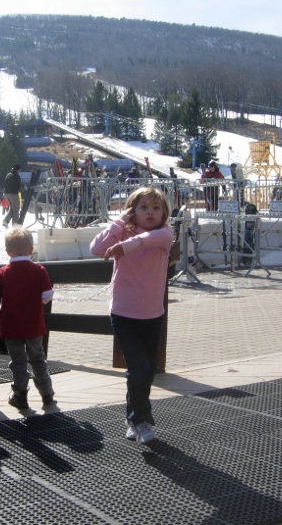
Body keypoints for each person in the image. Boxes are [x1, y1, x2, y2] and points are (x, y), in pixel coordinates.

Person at [89, 186, 174, 444]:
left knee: (146, 370)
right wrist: (119, 224)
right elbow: (96, 248)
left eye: (156, 208)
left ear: (164, 213)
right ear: (132, 211)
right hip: (124, 313)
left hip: (152, 314)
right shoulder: (122, 231)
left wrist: (127, 245)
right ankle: (141, 421)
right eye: (143, 208)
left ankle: (132, 417)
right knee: (138, 367)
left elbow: (148, 240)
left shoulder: (164, 234)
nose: (150, 212)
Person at [0, 226, 55, 409]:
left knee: (18, 361)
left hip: (11, 327)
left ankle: (20, 395)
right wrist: (41, 299)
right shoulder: (39, 270)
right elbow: (47, 294)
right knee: (38, 359)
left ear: (7, 252)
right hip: (34, 326)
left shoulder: (1, 273)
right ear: (31, 250)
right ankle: (47, 394)